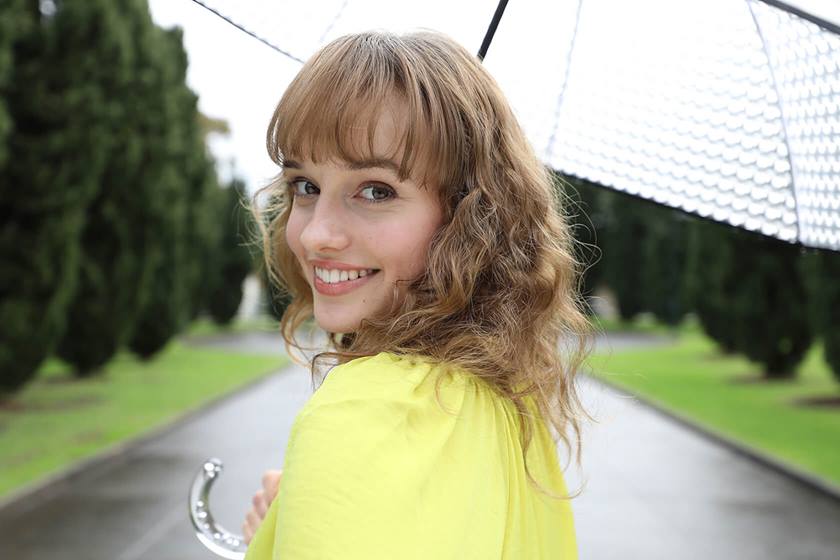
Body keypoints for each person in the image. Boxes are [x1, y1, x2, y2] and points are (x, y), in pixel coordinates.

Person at [242, 30, 593, 560]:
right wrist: (294, 516)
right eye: (305, 186)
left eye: (376, 190)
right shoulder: (505, 409)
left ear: (469, 219)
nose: (315, 235)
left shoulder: (361, 414)